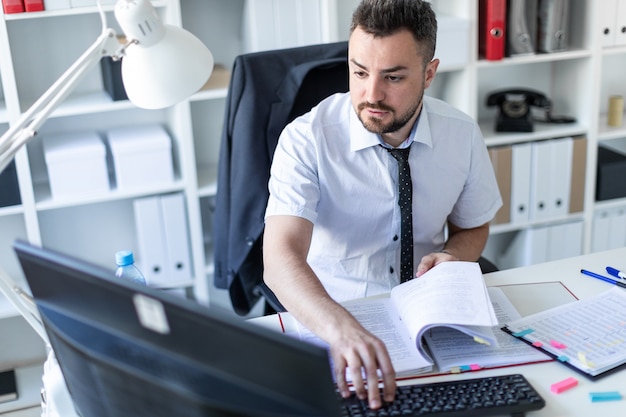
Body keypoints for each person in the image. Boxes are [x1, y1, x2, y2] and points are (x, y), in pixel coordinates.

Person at [263, 0, 502, 410]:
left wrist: (454, 255)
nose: (371, 94)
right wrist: (342, 329)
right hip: (336, 314)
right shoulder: (307, 139)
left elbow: (473, 227)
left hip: (432, 318)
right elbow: (279, 257)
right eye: (359, 72)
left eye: (392, 77)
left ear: (429, 73)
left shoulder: (461, 134)